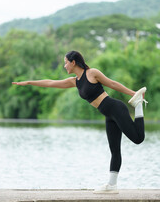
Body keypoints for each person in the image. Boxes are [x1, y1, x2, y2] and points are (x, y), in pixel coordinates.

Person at [12, 50, 148, 194]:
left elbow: (113, 84)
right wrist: (29, 82)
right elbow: (51, 83)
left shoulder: (92, 73)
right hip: (109, 115)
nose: (64, 66)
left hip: (116, 109)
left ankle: (138, 104)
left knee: (138, 139)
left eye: (65, 63)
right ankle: (112, 185)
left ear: (73, 62)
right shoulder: (75, 81)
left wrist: (133, 93)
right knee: (114, 150)